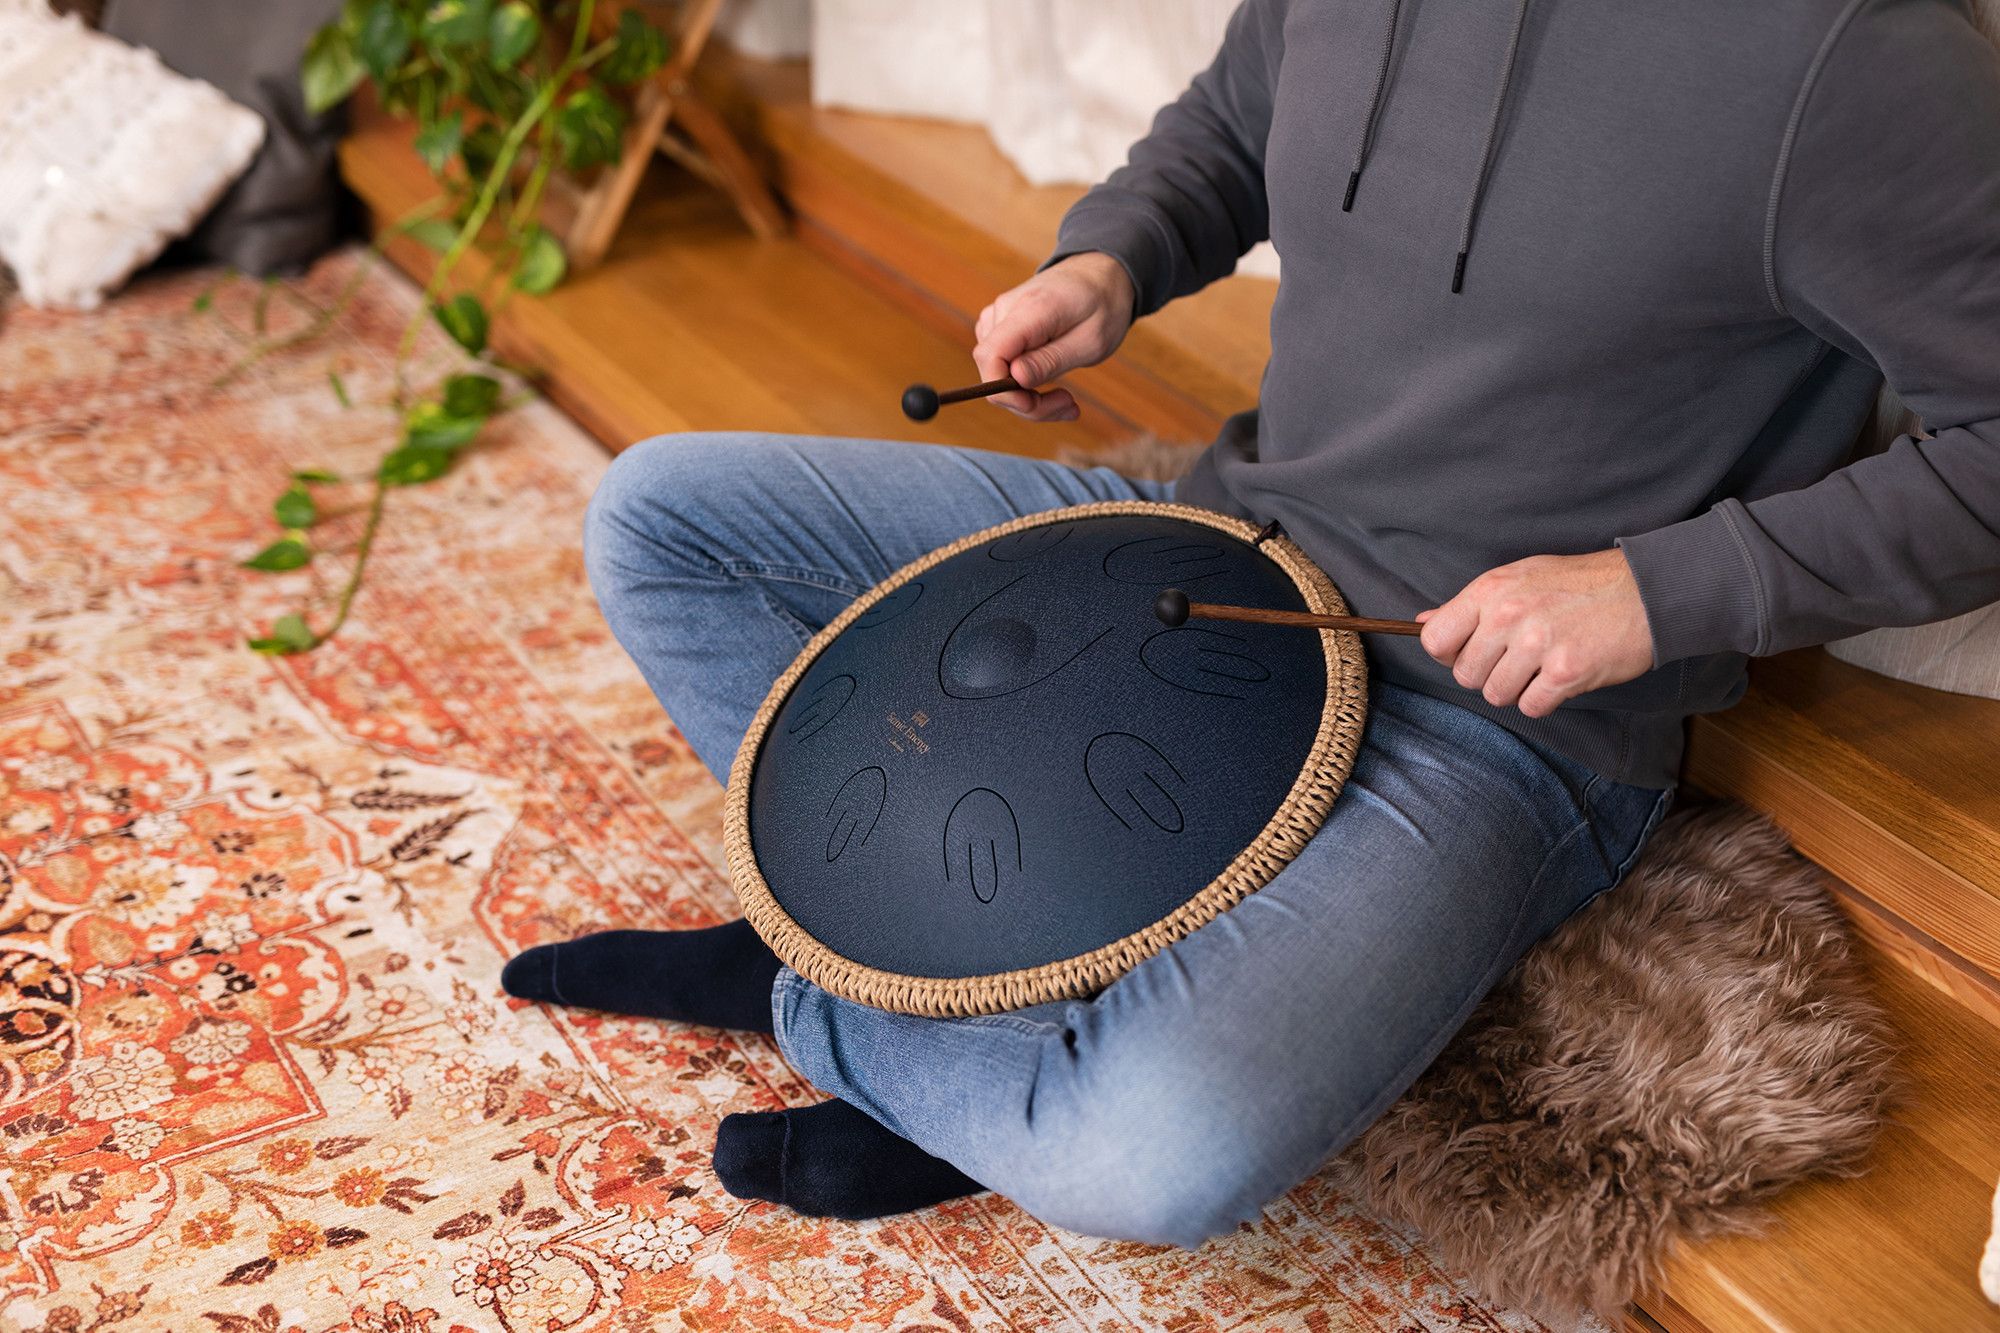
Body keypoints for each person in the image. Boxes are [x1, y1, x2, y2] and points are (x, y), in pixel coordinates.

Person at [502, 0, 2000, 1245]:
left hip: (1490, 715)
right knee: (659, 517)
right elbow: (1236, 119)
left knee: (1142, 1152)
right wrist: (1114, 256)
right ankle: (902, 946)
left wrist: (1659, 590)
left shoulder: (1854, 57)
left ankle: (825, 989)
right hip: (1213, 554)